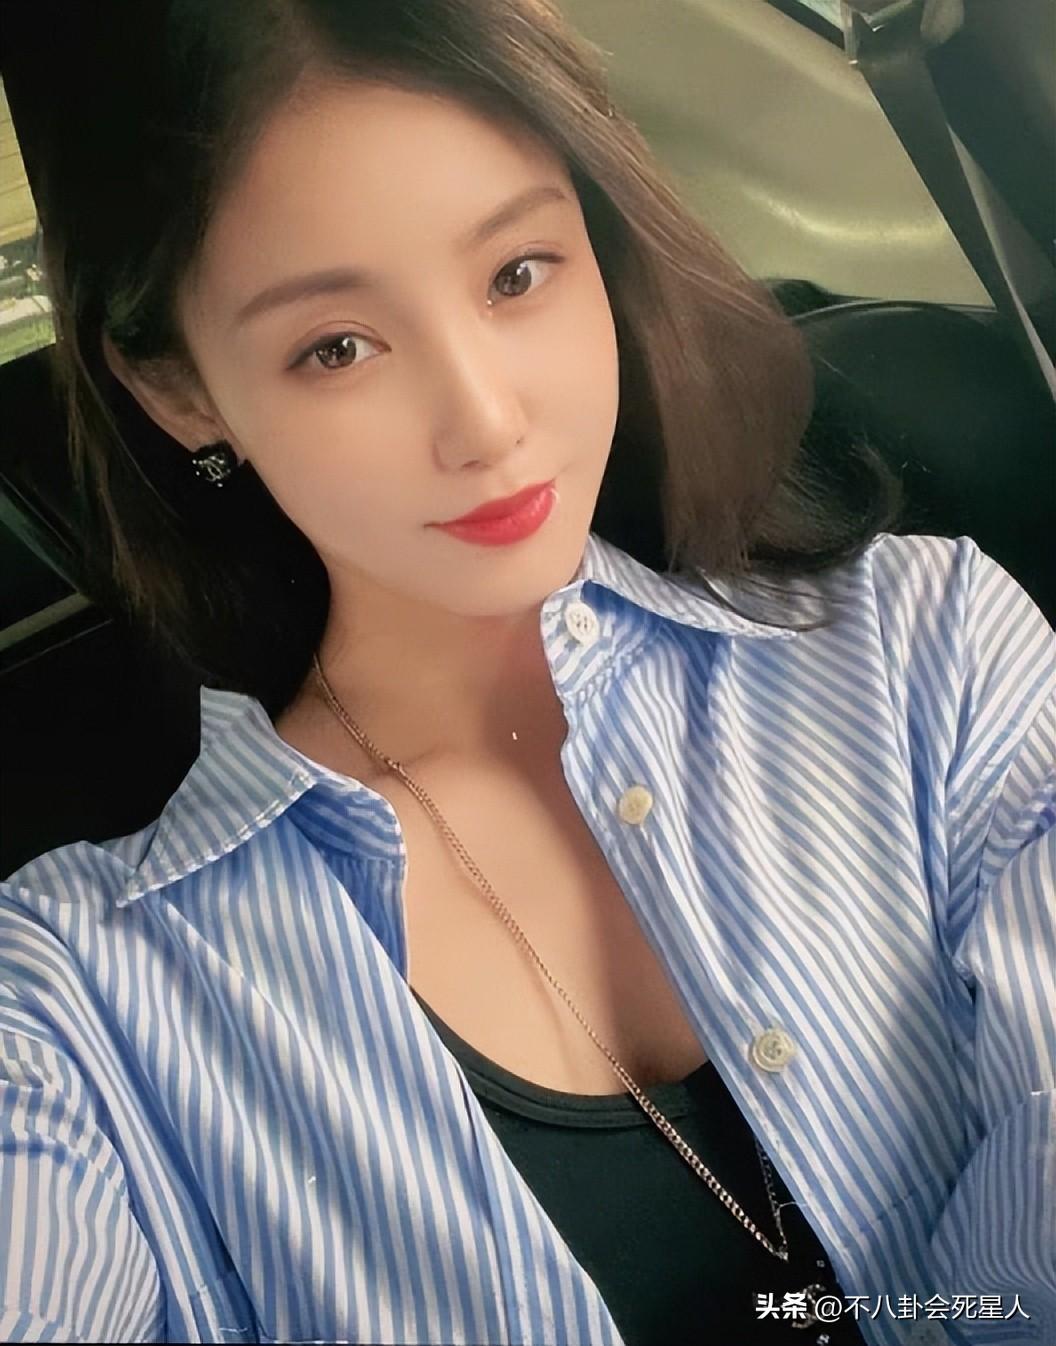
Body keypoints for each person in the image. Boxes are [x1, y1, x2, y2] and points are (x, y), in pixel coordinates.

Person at [0, 2, 1052, 1344]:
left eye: (517, 274)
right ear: (180, 389)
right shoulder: (76, 1011)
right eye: (337, 347)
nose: (486, 421)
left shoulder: (928, 656)